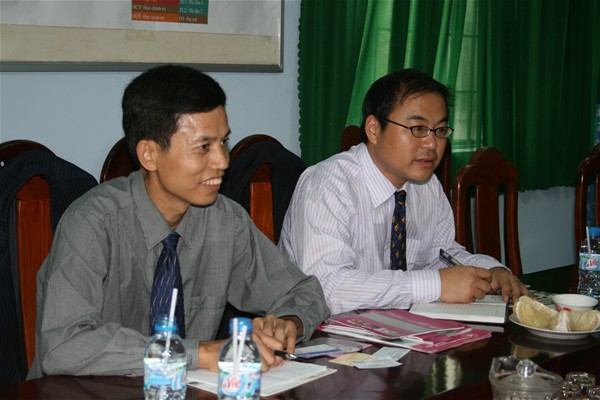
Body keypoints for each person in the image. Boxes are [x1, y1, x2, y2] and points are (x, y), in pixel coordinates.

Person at [29, 65, 329, 378]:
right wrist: (200, 352)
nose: (223, 161)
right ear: (149, 155)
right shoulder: (91, 224)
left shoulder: (225, 221)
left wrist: (288, 322)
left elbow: (304, 292)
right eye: (203, 147)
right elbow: (63, 347)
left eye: (223, 142)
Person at [278, 68, 530, 315]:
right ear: (374, 129)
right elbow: (326, 289)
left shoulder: (427, 186)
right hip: (313, 332)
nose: (432, 144)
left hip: (390, 328)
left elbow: (442, 255)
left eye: (440, 130)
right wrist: (436, 284)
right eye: (418, 129)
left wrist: (492, 271)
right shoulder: (326, 186)